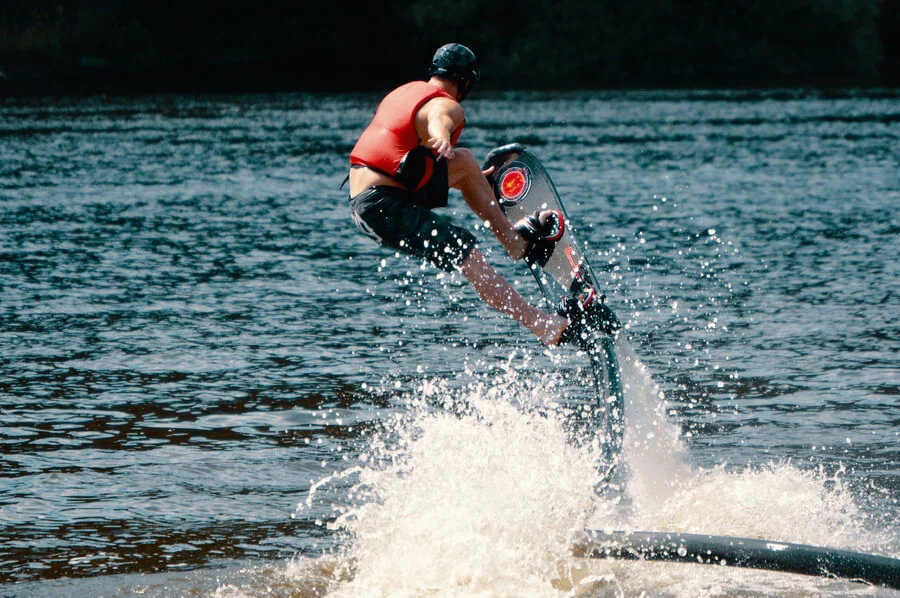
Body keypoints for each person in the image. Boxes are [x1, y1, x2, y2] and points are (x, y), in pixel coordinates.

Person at [346, 43, 586, 347]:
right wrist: (442, 136)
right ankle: (543, 324)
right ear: (466, 82)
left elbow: (412, 160)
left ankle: (506, 228)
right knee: (468, 255)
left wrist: (472, 180)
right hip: (385, 204)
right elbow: (439, 117)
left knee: (463, 163)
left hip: (371, 200)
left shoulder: (406, 91)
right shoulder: (447, 104)